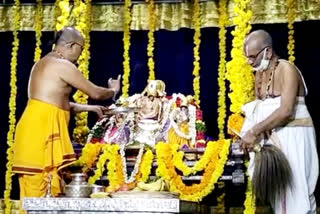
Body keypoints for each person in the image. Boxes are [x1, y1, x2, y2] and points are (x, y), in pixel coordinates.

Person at [12, 27, 121, 200]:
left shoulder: (43, 63)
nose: (82, 54)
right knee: (41, 193)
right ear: (71, 45)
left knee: (44, 193)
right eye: (81, 49)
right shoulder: (62, 65)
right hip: (40, 134)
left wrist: (89, 108)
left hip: (33, 129)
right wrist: (113, 90)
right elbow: (96, 93)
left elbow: (55, 101)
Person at [240, 30, 319, 213]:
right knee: (279, 194)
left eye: (252, 57)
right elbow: (260, 106)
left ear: (267, 52)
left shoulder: (286, 69)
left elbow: (285, 111)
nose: (249, 62)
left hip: (295, 134)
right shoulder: (260, 73)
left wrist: (254, 131)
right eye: (247, 57)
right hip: (273, 138)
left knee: (297, 191)